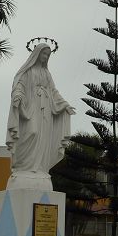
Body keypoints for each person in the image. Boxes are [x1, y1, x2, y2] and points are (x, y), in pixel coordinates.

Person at [6, 42, 75, 189]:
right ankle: (23, 166)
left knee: (43, 137)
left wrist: (65, 105)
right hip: (30, 108)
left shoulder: (46, 73)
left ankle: (38, 168)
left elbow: (54, 91)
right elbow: (19, 86)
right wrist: (17, 96)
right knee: (32, 132)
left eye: (48, 55)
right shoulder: (28, 71)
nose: (46, 57)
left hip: (46, 110)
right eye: (44, 54)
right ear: (37, 54)